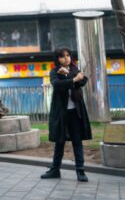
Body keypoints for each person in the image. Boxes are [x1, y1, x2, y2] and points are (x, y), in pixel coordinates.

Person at [41, 47, 92, 182]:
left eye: (68, 55)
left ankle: (80, 171)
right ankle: (55, 170)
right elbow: (57, 85)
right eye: (62, 56)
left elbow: (83, 81)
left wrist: (69, 75)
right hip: (61, 112)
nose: (66, 58)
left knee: (77, 141)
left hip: (76, 112)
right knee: (59, 141)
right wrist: (73, 79)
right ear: (57, 59)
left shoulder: (74, 69)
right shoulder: (54, 71)